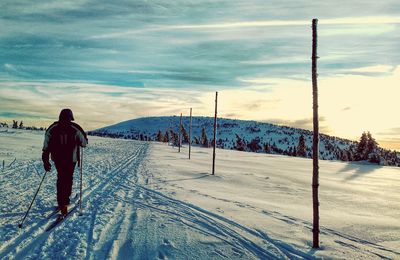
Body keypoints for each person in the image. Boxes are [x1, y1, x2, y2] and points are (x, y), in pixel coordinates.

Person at [42, 108, 88, 216]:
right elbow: (84, 143)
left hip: (57, 159)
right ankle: (64, 202)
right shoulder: (75, 128)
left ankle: (61, 202)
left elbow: (46, 146)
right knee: (67, 178)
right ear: (71, 118)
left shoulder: (52, 128)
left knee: (61, 178)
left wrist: (45, 161)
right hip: (71, 160)